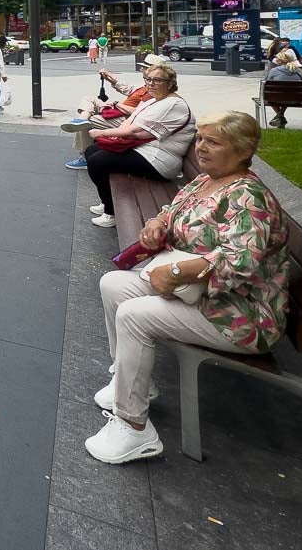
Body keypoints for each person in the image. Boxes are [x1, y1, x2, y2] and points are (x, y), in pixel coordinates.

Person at [86, 111, 291, 464]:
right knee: (113, 285)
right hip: (206, 297)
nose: (202, 148)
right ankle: (134, 382)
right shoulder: (206, 181)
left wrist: (178, 271)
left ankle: (134, 429)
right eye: (200, 139)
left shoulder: (248, 197)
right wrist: (157, 223)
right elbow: (173, 211)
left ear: (243, 150)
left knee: (135, 315)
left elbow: (240, 261)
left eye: (213, 142)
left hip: (240, 315)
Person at [80, 63, 196, 229]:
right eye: (148, 79)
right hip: (146, 150)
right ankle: (107, 200)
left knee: (98, 161)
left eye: (157, 80)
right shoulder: (155, 100)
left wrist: (101, 133)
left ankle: (110, 211)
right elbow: (132, 123)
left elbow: (135, 132)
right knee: (92, 150)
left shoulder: (173, 104)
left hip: (159, 160)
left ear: (170, 83)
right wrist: (111, 135)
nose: (150, 84)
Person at [62, 55, 167, 163]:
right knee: (88, 100)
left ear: (152, 70)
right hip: (119, 113)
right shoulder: (147, 85)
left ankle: (84, 156)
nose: (141, 69)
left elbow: (140, 112)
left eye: (144, 67)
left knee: (91, 121)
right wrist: (109, 77)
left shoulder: (153, 89)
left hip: (125, 119)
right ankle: (82, 119)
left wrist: (117, 105)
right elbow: (128, 88)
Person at [264, 48, 302, 128]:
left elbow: (267, 83)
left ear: (281, 61)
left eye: (277, 59)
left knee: (270, 96)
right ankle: (281, 115)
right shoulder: (298, 70)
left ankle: (280, 116)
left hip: (276, 99)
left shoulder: (274, 70)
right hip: (296, 99)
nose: (276, 60)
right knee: (287, 95)